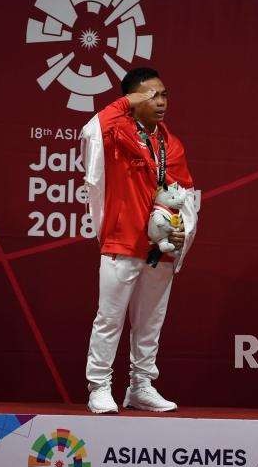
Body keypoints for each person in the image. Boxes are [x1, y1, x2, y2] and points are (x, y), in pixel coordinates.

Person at [80, 67, 198, 413]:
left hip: (159, 247)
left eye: (164, 95)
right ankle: (99, 386)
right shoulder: (116, 132)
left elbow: (186, 195)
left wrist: (182, 230)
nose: (161, 102)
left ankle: (140, 386)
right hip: (122, 241)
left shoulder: (171, 144)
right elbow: (92, 129)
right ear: (132, 100)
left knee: (150, 322)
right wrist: (127, 101)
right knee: (109, 318)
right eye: (152, 95)